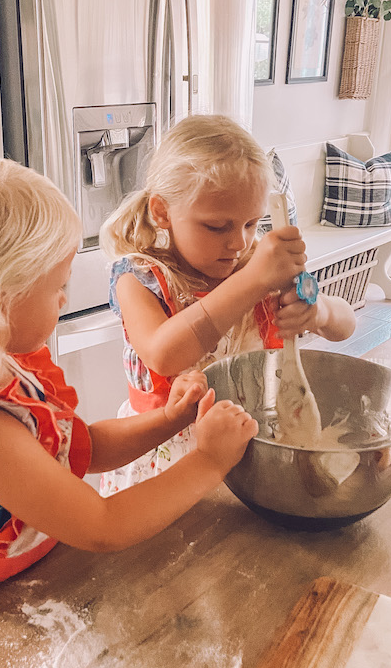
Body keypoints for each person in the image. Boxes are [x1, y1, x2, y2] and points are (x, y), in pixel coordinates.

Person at [0, 157, 258, 651]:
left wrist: (169, 419)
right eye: (57, 287)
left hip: (18, 586)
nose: (63, 301)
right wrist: (209, 461)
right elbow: (103, 525)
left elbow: (80, 449)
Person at [98, 114, 356, 495]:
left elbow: (345, 325)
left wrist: (319, 313)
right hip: (166, 463)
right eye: (217, 227)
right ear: (162, 211)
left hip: (252, 451)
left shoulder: (259, 265)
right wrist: (252, 282)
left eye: (252, 223)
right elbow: (164, 354)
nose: (238, 242)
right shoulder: (140, 278)